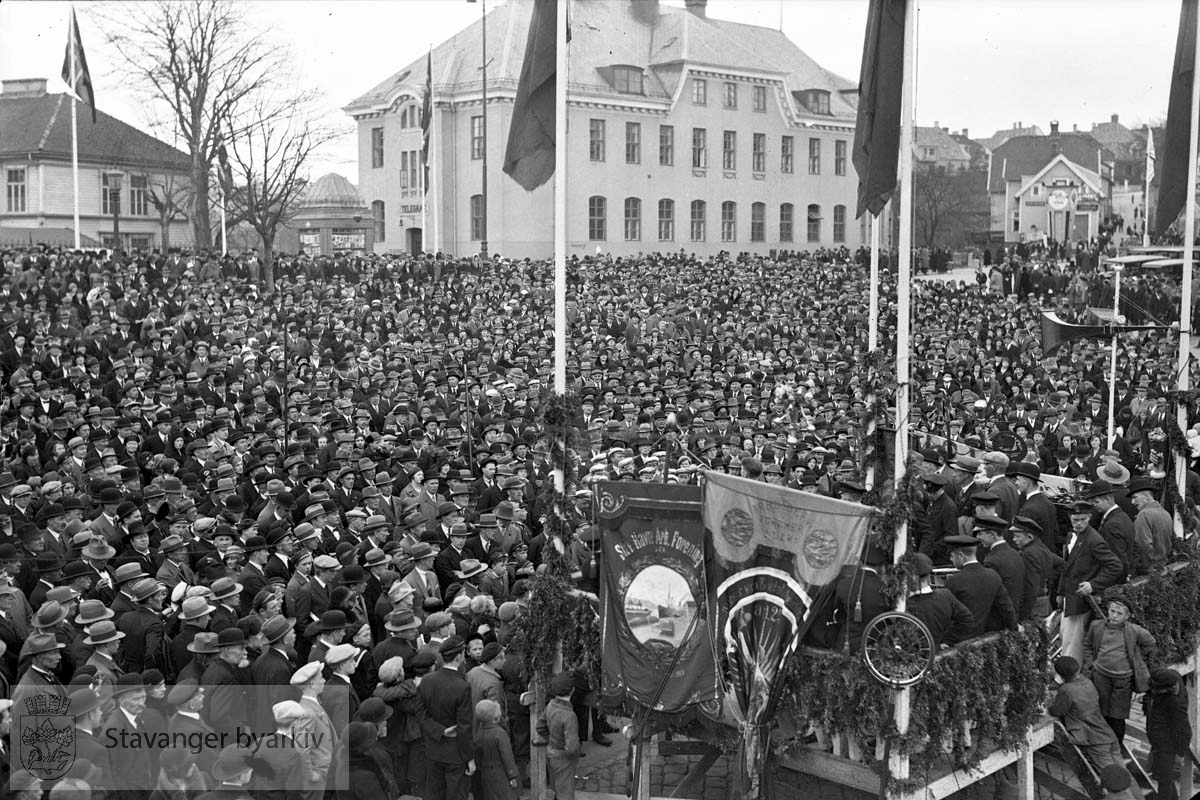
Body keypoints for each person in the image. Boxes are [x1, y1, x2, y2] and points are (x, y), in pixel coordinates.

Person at [1081, 592, 1154, 746]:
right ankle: (1102, 743)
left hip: (1123, 679)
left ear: (1127, 616)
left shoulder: (1135, 631)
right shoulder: (1097, 626)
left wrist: (1137, 659)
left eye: (1119, 613)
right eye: (1112, 611)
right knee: (1102, 711)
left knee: (1118, 715)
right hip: (1101, 674)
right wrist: (1091, 664)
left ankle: (1117, 745)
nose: (1114, 616)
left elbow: (1150, 644)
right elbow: (1087, 646)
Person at [1059, 501, 1124, 662]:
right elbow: (1066, 568)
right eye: (1075, 520)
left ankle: (1069, 675)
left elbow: (1115, 566)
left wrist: (1093, 584)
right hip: (1070, 596)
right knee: (1065, 636)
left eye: (1083, 519)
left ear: (1089, 518)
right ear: (1070, 518)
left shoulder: (1094, 539)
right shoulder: (1071, 536)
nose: (1079, 523)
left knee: (1072, 641)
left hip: (1080, 600)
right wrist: (1060, 593)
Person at [418, 635, 475, 800]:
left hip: (433, 749)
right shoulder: (462, 687)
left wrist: (440, 731)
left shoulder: (426, 681)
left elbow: (421, 715)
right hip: (456, 754)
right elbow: (465, 727)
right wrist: (470, 758)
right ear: (459, 656)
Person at [1048, 656, 1121, 771]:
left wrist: (1050, 701)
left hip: (1094, 741)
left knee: (1113, 781)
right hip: (1107, 734)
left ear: (1059, 675)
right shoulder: (1087, 682)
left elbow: (1056, 711)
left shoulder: (1066, 690)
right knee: (1125, 778)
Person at [943, 535, 1017, 642]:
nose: (951, 560)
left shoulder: (954, 581)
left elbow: (946, 616)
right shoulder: (993, 575)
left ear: (961, 555)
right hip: (983, 637)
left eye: (951, 556)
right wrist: (1014, 627)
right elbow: (1006, 608)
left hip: (956, 640)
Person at [1143, 667, 1191, 800]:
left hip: (1167, 746)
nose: (1152, 691)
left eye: (1156, 689)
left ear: (1167, 689)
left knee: (1163, 782)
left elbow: (1185, 730)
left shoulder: (1175, 703)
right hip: (1158, 742)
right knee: (1163, 777)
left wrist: (1180, 753)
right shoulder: (1172, 676)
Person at [904, 553, 972, 647]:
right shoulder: (945, 595)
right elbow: (966, 619)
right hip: (942, 651)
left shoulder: (905, 605)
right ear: (929, 575)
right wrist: (947, 641)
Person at [1009, 517, 1064, 620]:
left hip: (1033, 605)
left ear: (1029, 537)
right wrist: (1047, 576)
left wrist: (1021, 617)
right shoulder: (1041, 547)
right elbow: (1062, 564)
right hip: (1043, 600)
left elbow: (1030, 588)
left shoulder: (1028, 554)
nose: (1014, 539)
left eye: (1017, 536)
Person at [539, 671, 580, 800]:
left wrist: (551, 739)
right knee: (565, 794)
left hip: (551, 752)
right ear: (572, 690)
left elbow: (540, 726)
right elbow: (572, 748)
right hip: (564, 758)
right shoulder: (569, 715)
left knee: (557, 790)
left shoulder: (551, 705)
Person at [473, 699, 518, 800]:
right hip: (501, 773)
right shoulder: (500, 734)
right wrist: (512, 775)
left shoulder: (479, 734)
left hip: (485, 773)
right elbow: (507, 757)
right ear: (496, 717)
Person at [1128, 476, 1173, 571]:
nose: (1132, 502)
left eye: (1135, 497)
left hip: (1150, 570)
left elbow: (1143, 546)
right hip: (1164, 566)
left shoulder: (1143, 515)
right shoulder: (1165, 513)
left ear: (1146, 496)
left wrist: (1146, 568)